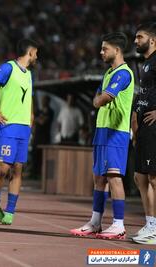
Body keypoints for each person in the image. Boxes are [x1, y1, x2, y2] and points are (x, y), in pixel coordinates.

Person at [70, 32, 134, 239]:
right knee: (99, 178)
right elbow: (95, 99)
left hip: (116, 133)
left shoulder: (124, 73)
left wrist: (100, 99)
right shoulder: (108, 73)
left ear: (117, 50)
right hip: (102, 131)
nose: (101, 52)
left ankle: (118, 225)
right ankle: (95, 222)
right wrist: (99, 99)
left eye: (104, 48)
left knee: (114, 177)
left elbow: (101, 99)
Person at [0, 38, 38, 225]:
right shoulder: (8, 68)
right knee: (3, 169)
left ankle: (10, 211)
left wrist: (31, 117)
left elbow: (28, 97)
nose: (37, 57)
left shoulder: (29, 74)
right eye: (36, 53)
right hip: (7, 126)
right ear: (30, 52)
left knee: (18, 169)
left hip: (23, 128)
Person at [131, 22, 156, 245]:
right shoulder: (146, 64)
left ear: (152, 40)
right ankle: (150, 224)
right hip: (144, 127)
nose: (136, 41)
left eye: (140, 37)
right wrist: (135, 120)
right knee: (140, 177)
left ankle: (155, 228)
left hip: (154, 126)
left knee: (154, 178)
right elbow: (144, 94)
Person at [32, 95, 54, 178]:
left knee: (43, 157)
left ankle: (42, 175)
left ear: (48, 101)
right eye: (42, 100)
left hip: (45, 138)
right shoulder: (39, 111)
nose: (43, 102)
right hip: (36, 137)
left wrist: (37, 119)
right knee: (35, 156)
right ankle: (34, 174)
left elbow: (42, 122)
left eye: (45, 100)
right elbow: (35, 120)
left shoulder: (51, 112)